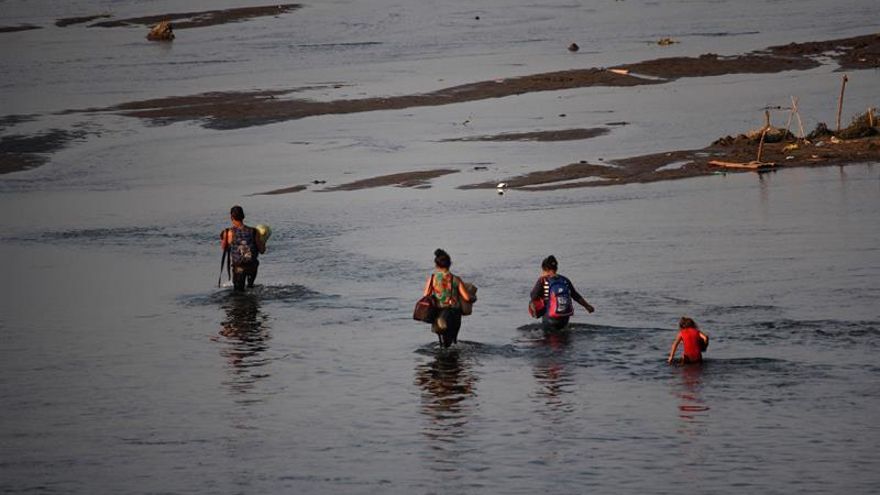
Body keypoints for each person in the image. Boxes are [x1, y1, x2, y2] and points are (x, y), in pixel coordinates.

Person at [422, 248, 473, 348]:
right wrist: (473, 298)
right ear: (450, 264)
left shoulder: (432, 278)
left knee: (442, 340)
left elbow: (426, 296)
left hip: (439, 312)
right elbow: (467, 298)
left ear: (436, 265)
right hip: (455, 313)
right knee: (453, 341)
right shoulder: (456, 279)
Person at [530, 255, 594, 331]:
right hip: (564, 317)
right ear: (556, 268)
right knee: (563, 334)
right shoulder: (564, 280)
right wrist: (587, 306)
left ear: (545, 269)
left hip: (550, 318)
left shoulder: (543, 280)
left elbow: (533, 296)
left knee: (532, 303)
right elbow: (575, 295)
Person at [220, 205, 266, 292]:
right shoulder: (254, 231)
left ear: (231, 217)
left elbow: (224, 248)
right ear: (243, 216)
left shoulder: (228, 232)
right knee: (251, 290)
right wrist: (263, 240)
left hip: (239, 268)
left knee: (238, 294)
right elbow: (262, 250)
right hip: (252, 266)